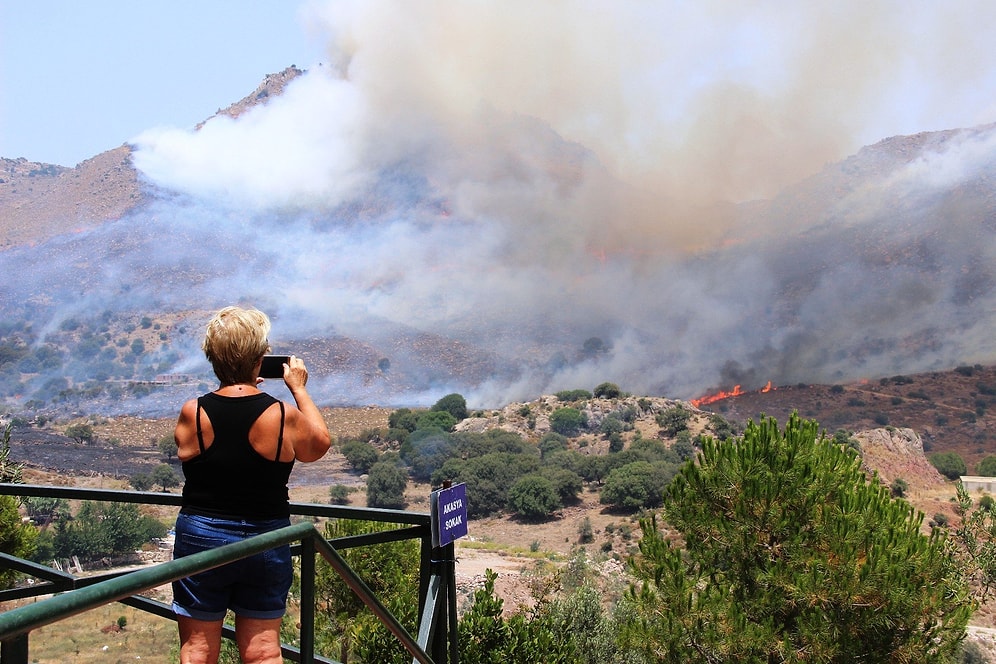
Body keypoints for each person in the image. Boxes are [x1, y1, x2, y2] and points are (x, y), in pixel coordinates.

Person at [171, 306, 332, 664]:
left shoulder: (192, 412)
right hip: (265, 538)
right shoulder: (281, 415)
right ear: (260, 359)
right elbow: (318, 445)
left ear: (213, 359)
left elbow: (187, 449)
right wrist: (298, 389)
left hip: (202, 537)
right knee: (263, 652)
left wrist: (237, 389)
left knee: (197, 649)